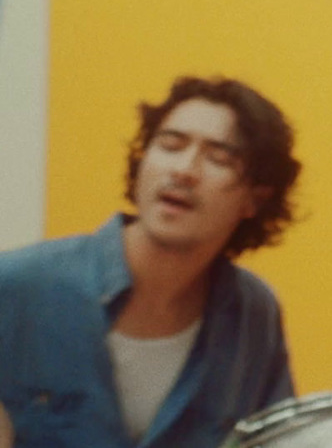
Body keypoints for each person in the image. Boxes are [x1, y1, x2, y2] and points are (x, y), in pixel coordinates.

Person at [0, 76, 302, 448]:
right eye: (170, 145)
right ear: (142, 161)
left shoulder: (253, 314)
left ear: (254, 199)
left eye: (219, 158)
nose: (184, 170)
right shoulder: (18, 287)